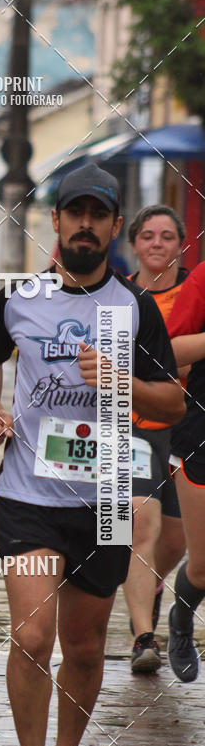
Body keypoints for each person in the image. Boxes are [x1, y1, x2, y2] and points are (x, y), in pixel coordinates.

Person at [0, 163, 185, 746]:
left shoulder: (134, 309)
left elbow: (174, 399)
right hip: (27, 494)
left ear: (113, 228)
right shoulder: (18, 299)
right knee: (32, 637)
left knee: (85, 647)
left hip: (106, 499)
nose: (85, 224)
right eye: (74, 212)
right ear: (55, 223)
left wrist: (123, 382)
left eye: (98, 214)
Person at [123, 206, 187, 673]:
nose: (157, 243)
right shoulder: (118, 294)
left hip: (188, 425)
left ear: (181, 244)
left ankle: (152, 585)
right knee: (141, 525)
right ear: (134, 244)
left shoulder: (196, 292)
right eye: (147, 235)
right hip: (134, 423)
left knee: (177, 540)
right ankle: (144, 636)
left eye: (167, 235)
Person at [166, 258, 205, 681]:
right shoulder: (204, 277)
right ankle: (180, 619)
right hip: (200, 436)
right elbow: (168, 352)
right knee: (202, 567)